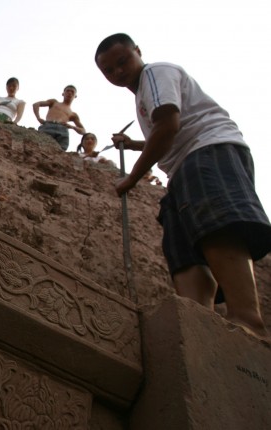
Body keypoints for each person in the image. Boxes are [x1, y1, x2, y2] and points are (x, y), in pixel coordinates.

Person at [95, 33, 271, 337]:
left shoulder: (154, 73)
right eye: (109, 71)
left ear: (138, 51)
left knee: (215, 226)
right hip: (181, 169)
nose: (118, 72)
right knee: (183, 249)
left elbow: (168, 125)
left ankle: (247, 319)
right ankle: (200, 327)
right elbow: (164, 131)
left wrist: (132, 178)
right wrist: (135, 144)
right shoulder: (142, 95)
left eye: (122, 61)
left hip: (207, 152)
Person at [32, 85, 86, 151]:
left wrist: (72, 127)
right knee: (39, 145)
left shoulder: (73, 114)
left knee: (60, 150)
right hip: (48, 125)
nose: (69, 93)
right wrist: (38, 117)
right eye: (67, 91)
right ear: (63, 93)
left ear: (75, 96)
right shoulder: (54, 102)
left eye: (72, 92)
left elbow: (83, 131)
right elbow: (36, 104)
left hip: (62, 129)